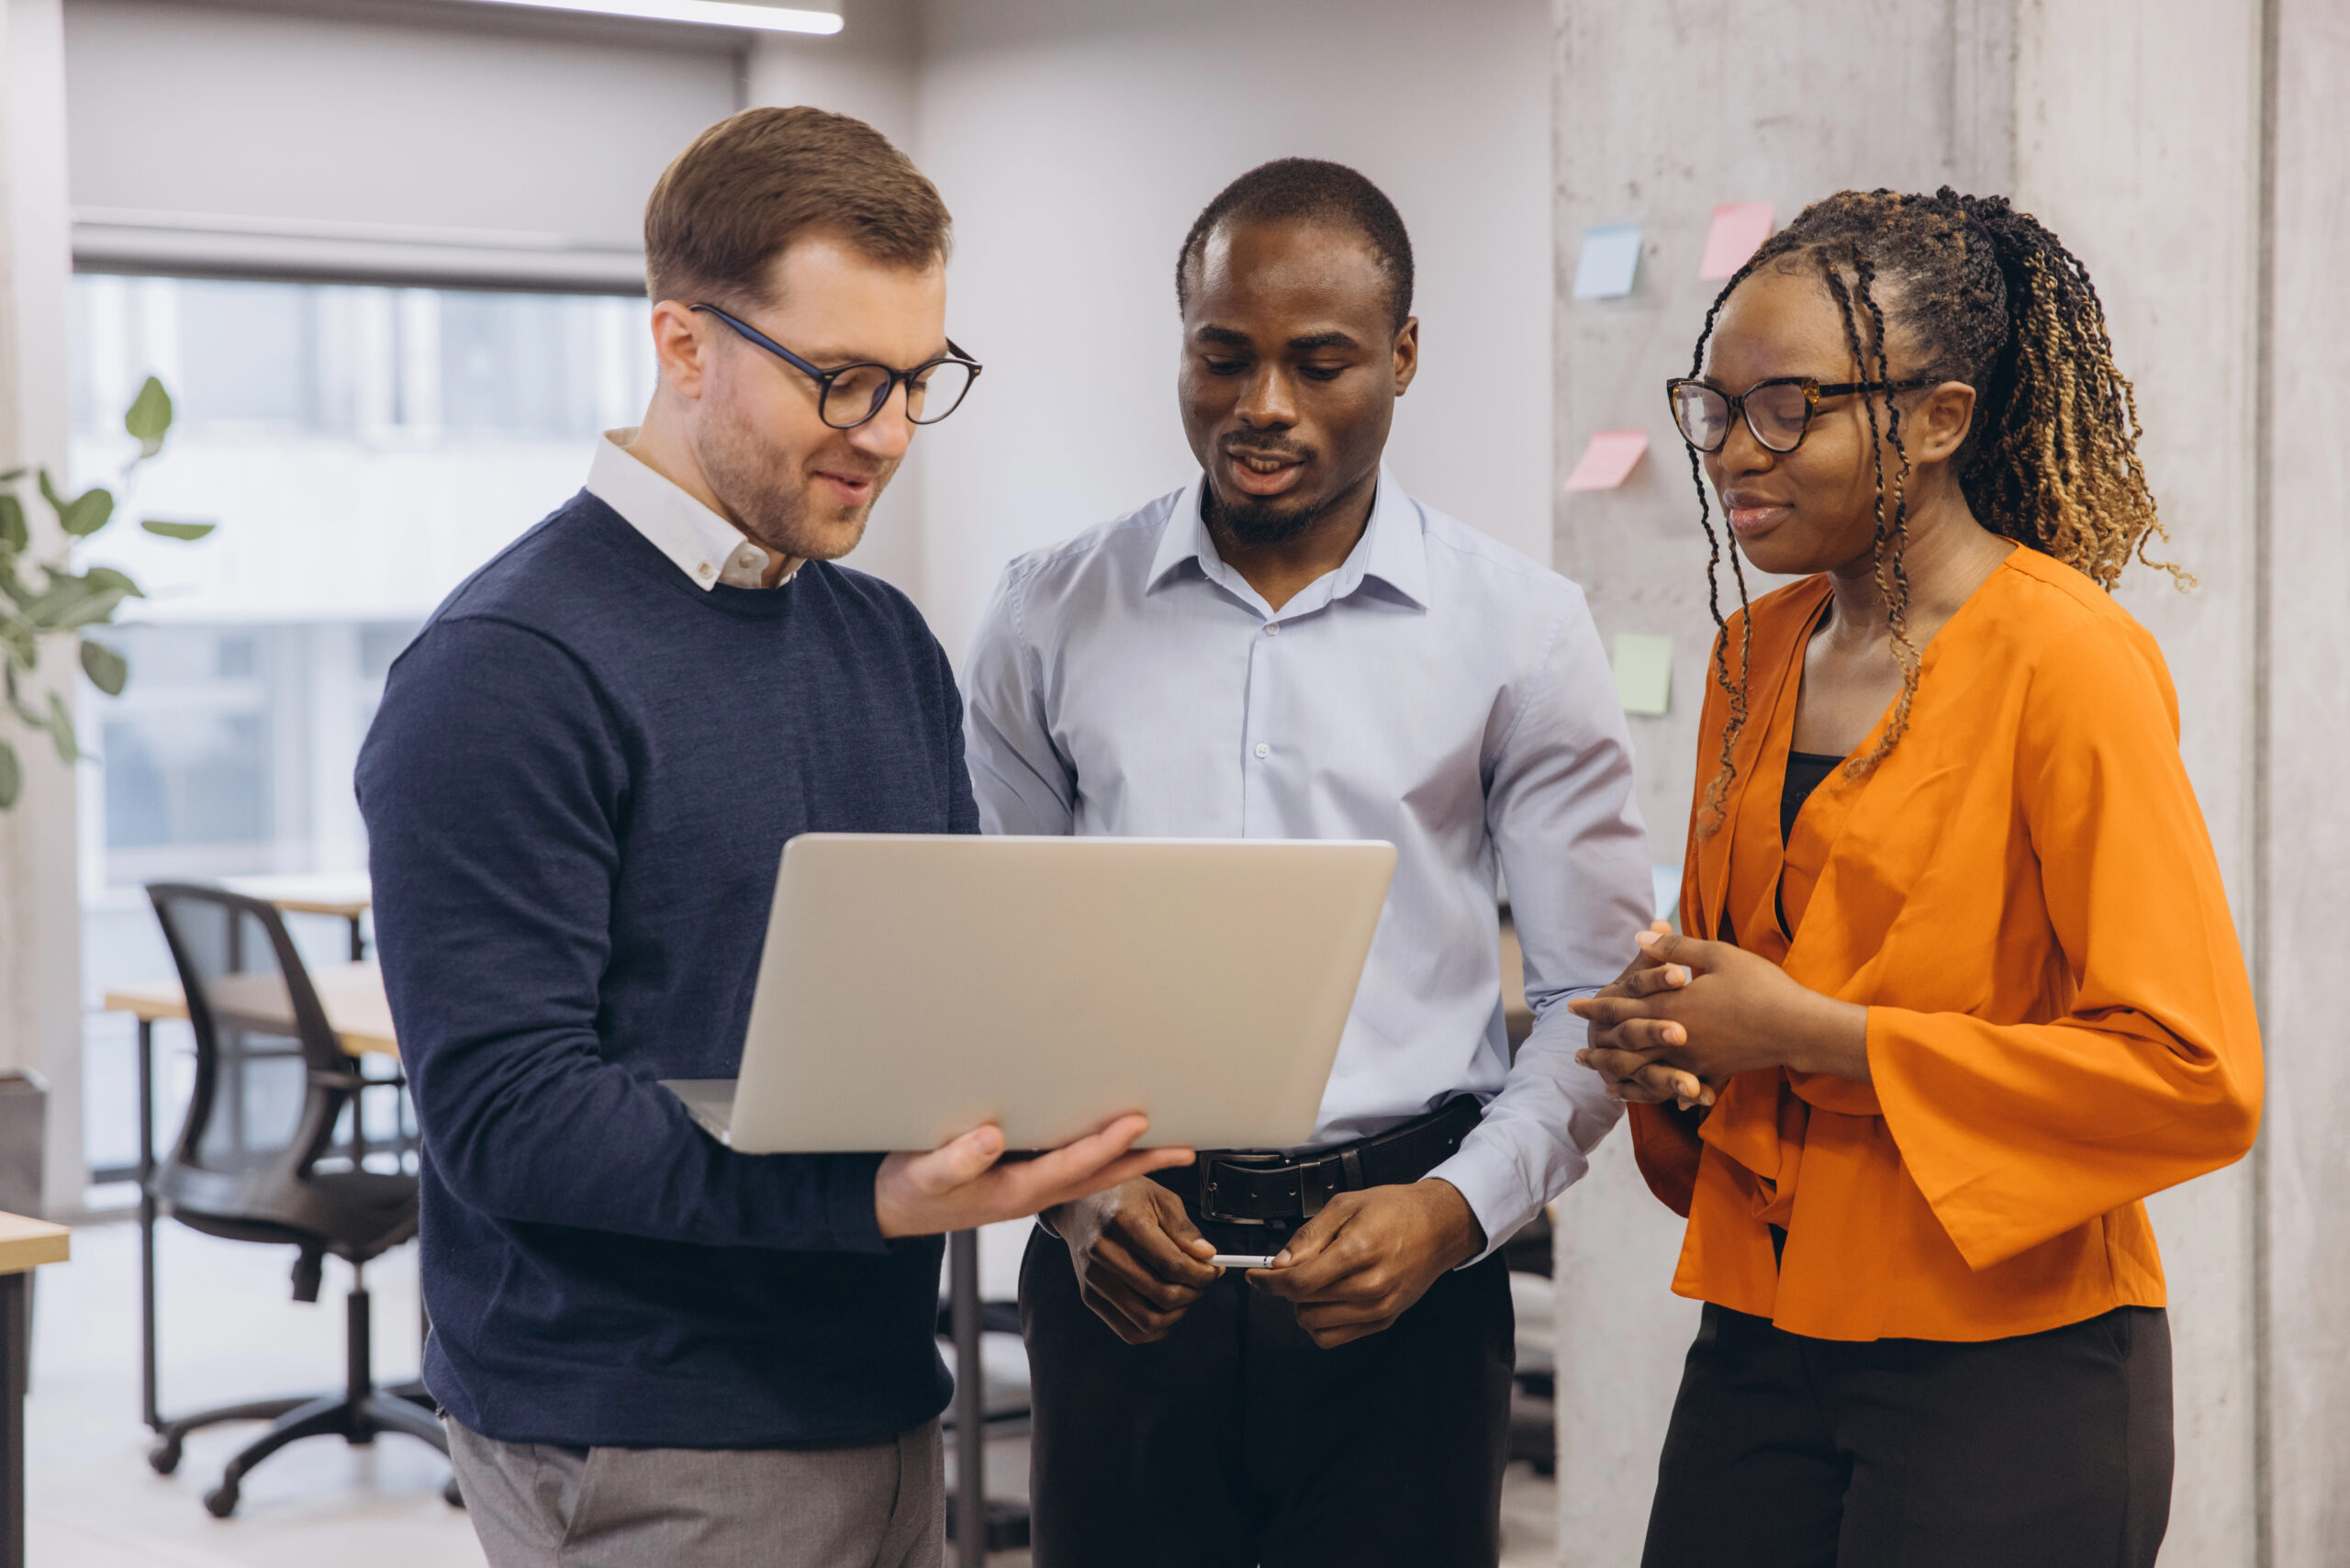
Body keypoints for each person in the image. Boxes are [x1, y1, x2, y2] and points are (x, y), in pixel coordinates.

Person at [354, 106, 1188, 1568]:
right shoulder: (507, 668)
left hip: (872, 1397)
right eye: (845, 381)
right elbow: (508, 1115)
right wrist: (863, 1196)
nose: (886, 436)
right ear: (684, 346)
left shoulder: (878, 638)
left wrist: (1085, 1172)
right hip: (643, 1433)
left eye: (920, 383)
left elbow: (942, 993)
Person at [961, 158, 1655, 1568]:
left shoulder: (1520, 629)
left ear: (1403, 356)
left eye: (1318, 362)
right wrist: (1078, 1195)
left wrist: (1457, 1212)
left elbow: (1598, 997)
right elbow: (994, 967)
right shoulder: (1047, 612)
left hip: (1404, 1281)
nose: (1261, 406)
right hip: (1117, 1272)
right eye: (1223, 357)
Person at [1570, 187, 2264, 1568]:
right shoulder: (1748, 660)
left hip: (2012, 1362)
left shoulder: (2068, 662)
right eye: (1712, 408)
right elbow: (1749, 994)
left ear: (1939, 420)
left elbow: (2196, 1074)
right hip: (1761, 1339)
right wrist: (1672, 1049)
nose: (1730, 454)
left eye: (1787, 408)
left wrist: (1809, 1036)